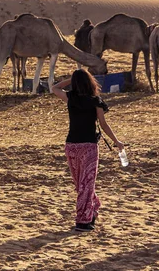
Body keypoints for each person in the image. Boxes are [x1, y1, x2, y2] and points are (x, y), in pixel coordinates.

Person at [52, 69, 124, 232]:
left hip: (72, 146)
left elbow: (54, 88)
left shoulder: (71, 98)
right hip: (89, 147)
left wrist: (71, 80)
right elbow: (104, 125)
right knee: (86, 184)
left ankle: (90, 211)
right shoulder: (95, 101)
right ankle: (83, 220)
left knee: (81, 184)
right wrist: (116, 141)